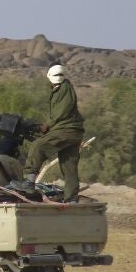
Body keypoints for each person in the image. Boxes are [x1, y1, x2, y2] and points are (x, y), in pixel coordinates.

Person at [17, 63, 84, 202]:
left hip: (66, 130)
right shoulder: (62, 88)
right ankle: (72, 199)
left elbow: (61, 112)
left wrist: (47, 125)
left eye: (60, 75)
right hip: (74, 132)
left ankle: (29, 183)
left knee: (37, 146)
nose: (58, 78)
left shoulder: (64, 88)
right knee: (69, 167)